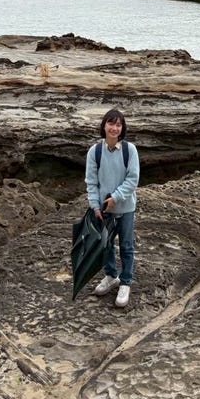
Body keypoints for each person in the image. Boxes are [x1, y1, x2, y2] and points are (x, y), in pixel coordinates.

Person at [84, 107, 140, 307]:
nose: (114, 128)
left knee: (126, 245)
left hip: (125, 207)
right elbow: (91, 181)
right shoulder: (95, 151)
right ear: (104, 125)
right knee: (105, 245)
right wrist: (94, 205)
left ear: (122, 128)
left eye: (118, 124)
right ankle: (111, 275)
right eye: (111, 123)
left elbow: (133, 179)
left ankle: (126, 281)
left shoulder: (129, 150)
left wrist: (116, 197)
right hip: (103, 210)